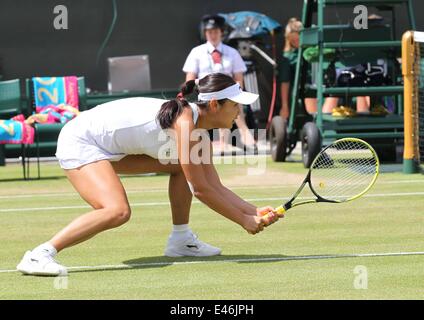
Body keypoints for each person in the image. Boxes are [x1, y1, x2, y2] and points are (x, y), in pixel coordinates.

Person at [16, 73, 279, 276]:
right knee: (117, 210)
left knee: (179, 166)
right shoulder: (185, 123)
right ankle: (40, 254)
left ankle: (181, 240)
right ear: (214, 104)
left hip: (111, 147)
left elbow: (214, 185)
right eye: (235, 106)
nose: (238, 113)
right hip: (81, 142)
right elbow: (200, 189)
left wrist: (252, 211)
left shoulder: (199, 134)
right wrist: (241, 220)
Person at [183, 14, 257, 153]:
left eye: (216, 31)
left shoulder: (232, 52)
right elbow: (190, 78)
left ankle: (241, 135)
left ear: (221, 33)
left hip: (228, 92)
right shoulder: (196, 52)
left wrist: (236, 92)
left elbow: (239, 78)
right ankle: (197, 141)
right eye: (210, 32)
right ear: (205, 33)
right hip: (204, 94)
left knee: (231, 102)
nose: (213, 35)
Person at [278, 17, 369, 119]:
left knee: (353, 85)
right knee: (314, 97)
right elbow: (285, 82)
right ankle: (320, 124)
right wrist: (285, 106)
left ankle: (364, 123)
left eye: (298, 39)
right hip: (307, 91)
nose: (297, 43)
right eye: (293, 40)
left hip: (328, 86)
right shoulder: (289, 57)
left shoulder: (318, 50)